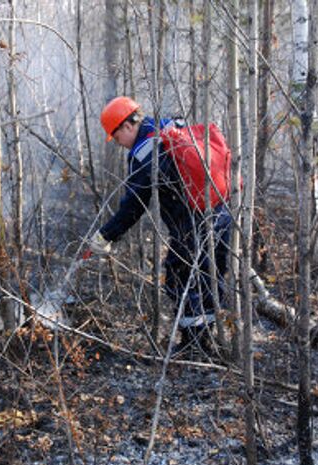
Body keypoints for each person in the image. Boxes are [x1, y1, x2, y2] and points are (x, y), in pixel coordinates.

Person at [88, 96, 232, 349]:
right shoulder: (168, 125)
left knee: (180, 276)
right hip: (221, 213)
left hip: (193, 226)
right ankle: (209, 338)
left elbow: (134, 206)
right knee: (212, 276)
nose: (119, 144)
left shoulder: (145, 152)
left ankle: (194, 345)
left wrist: (106, 235)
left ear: (127, 126)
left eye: (116, 136)